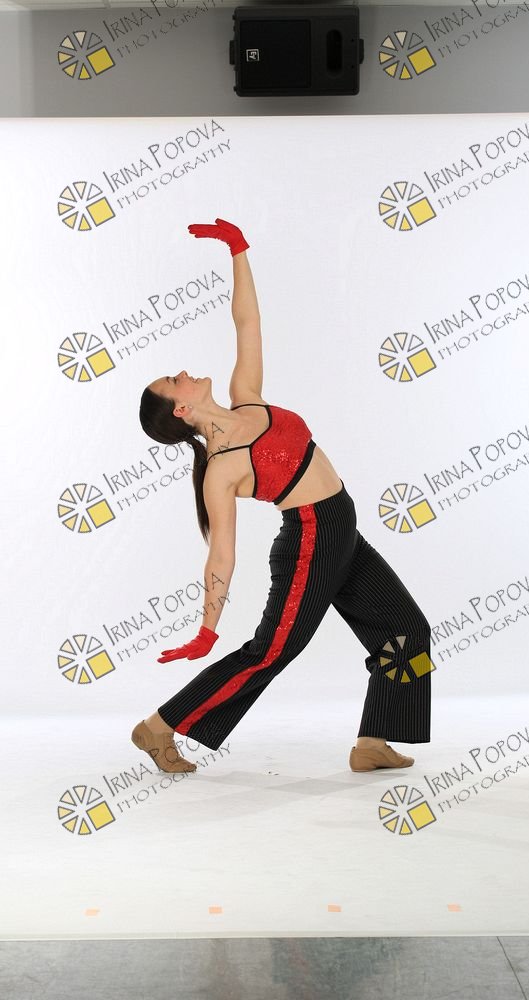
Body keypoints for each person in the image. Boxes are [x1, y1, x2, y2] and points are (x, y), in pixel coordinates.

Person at [135, 218, 432, 775]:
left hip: (342, 528)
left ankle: (372, 742)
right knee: (269, 652)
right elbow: (221, 554)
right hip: (310, 539)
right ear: (181, 409)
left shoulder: (247, 398)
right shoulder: (221, 470)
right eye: (174, 380)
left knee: (407, 631)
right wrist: (207, 627)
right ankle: (159, 726)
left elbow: (247, 321)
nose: (183, 372)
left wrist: (237, 250)